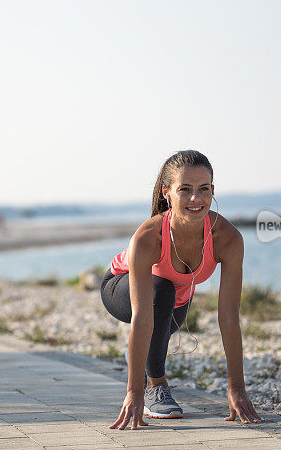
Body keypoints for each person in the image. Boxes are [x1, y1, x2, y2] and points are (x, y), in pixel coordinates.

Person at [101, 150, 263, 430]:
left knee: (165, 300)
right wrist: (134, 393)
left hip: (173, 301)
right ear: (167, 192)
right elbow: (142, 317)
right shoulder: (148, 237)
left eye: (203, 189)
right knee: (161, 291)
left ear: (213, 191)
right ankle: (156, 386)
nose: (195, 199)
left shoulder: (228, 238)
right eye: (185, 189)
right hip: (121, 286)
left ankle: (141, 355)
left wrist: (236, 388)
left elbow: (228, 316)